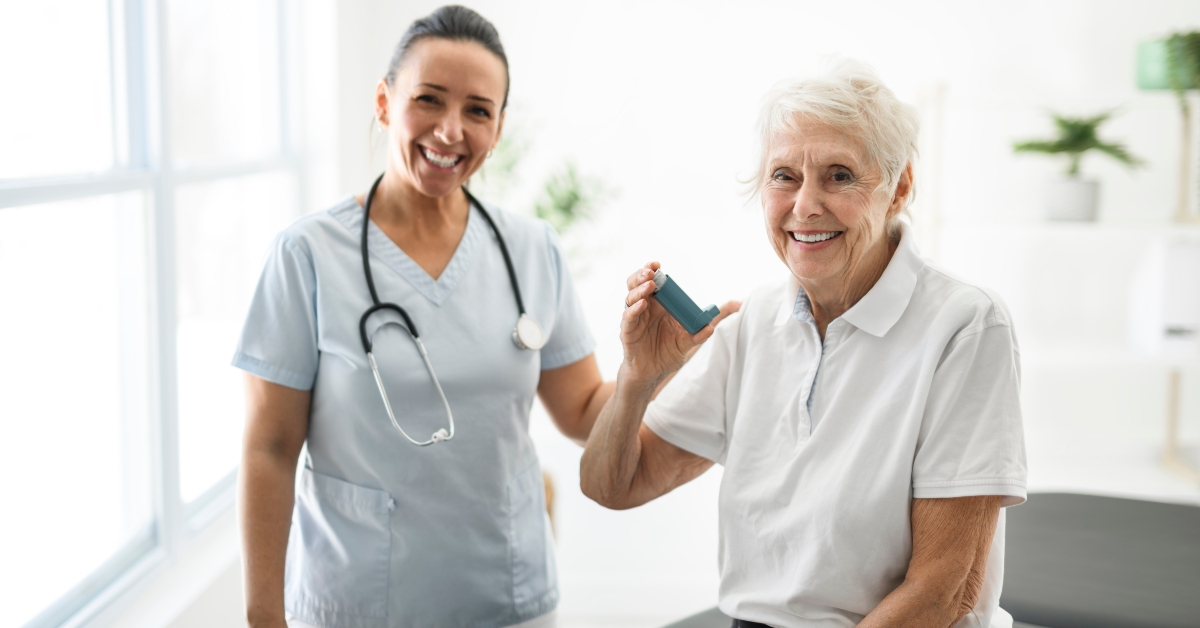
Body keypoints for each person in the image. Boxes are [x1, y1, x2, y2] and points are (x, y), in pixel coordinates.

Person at [580, 60, 1027, 628]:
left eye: (839, 175)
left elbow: (943, 592)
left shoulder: (966, 326)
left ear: (898, 188)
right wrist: (637, 381)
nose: (805, 205)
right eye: (784, 176)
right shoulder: (753, 323)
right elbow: (612, 486)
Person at [235, 7, 612, 628]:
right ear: (384, 103)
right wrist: (263, 618)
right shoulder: (308, 255)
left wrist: (661, 370)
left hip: (508, 600)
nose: (450, 130)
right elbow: (270, 448)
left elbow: (584, 412)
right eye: (428, 99)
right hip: (357, 606)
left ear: (499, 127)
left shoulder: (532, 249)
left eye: (478, 111)